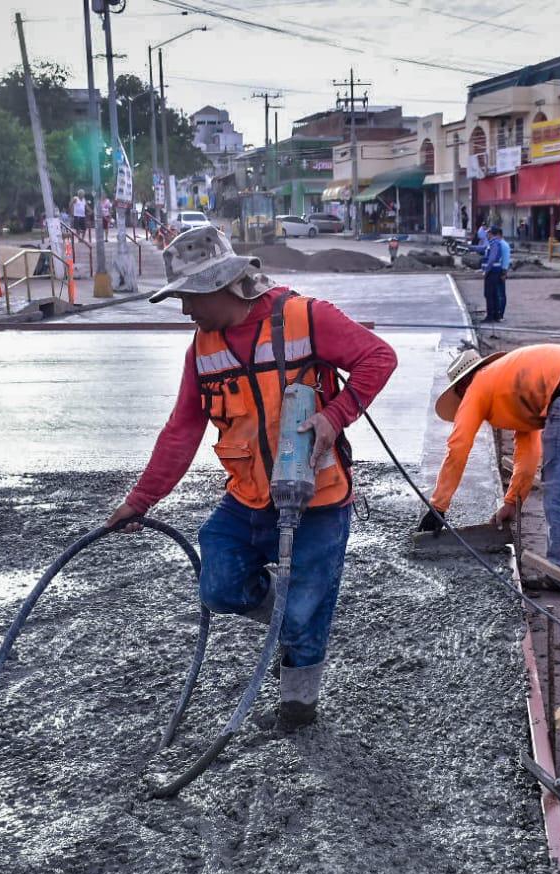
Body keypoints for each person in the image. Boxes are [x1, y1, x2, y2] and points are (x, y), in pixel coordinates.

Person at [106, 226, 397, 729]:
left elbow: (378, 357)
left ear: (225, 284)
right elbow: (182, 428)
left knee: (308, 616)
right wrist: (141, 500)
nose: (185, 311)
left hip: (319, 498)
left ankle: (298, 710)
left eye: (190, 297)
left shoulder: (307, 318)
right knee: (218, 583)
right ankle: (285, 613)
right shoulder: (203, 348)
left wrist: (335, 414)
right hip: (248, 499)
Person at [418, 344, 560, 585]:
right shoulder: (509, 380)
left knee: (559, 487)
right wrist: (511, 503)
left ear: (462, 386)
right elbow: (528, 453)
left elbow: (458, 446)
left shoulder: (477, 385)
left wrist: (438, 506)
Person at [482, 224, 511, 322]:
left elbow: (505, 260)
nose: (489, 235)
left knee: (499, 294)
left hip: (499, 272)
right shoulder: (496, 243)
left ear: (498, 234)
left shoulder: (502, 244)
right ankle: (497, 314)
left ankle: (499, 314)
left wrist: (504, 273)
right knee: (495, 294)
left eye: (490, 233)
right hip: (498, 272)